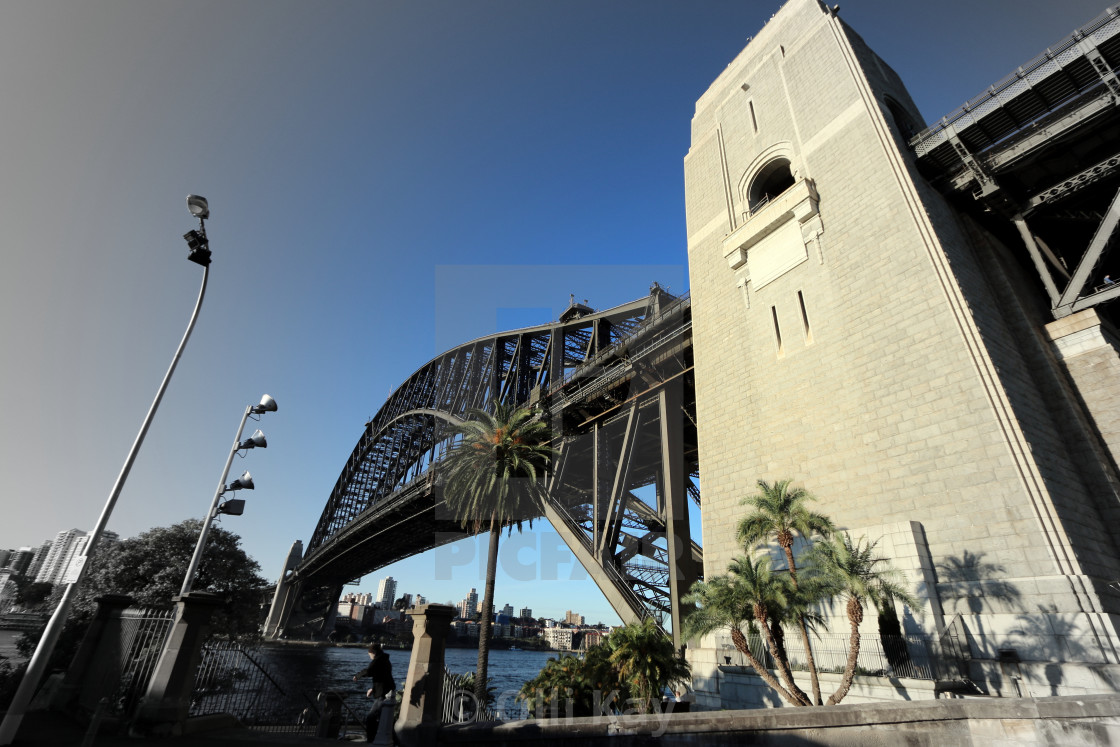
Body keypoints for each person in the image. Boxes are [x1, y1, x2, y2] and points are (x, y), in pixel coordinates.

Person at [353, 643, 395, 742]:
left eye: (370, 655)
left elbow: (369, 671)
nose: (370, 657)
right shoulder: (385, 660)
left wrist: (357, 676)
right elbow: (382, 677)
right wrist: (373, 689)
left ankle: (371, 741)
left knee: (371, 718)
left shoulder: (378, 661)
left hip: (383, 694)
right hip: (386, 691)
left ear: (373, 653)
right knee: (383, 718)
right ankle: (386, 739)